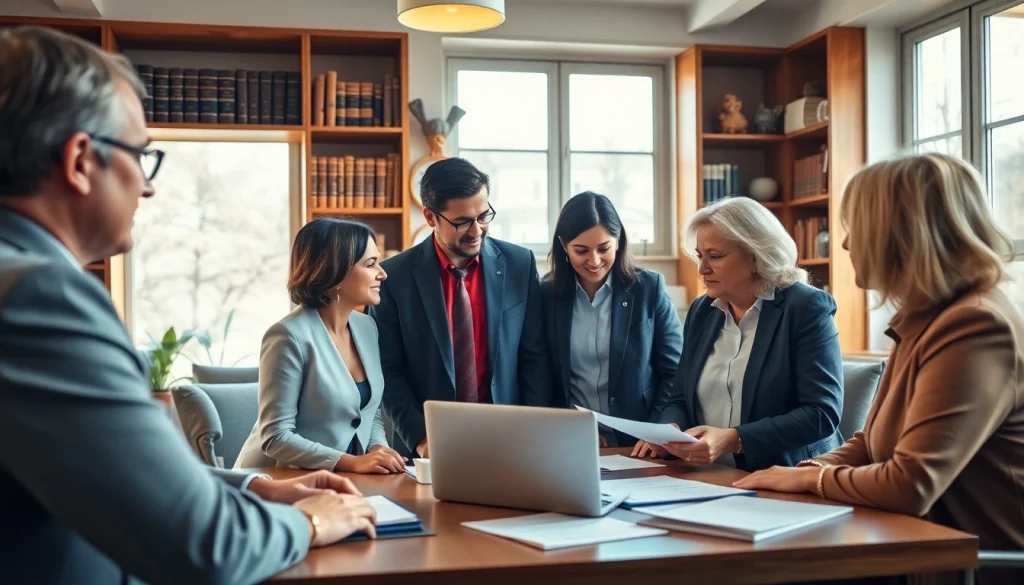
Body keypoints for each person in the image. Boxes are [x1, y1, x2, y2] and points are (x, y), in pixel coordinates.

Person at [0, 26, 377, 585]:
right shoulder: (40, 297)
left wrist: (256, 486)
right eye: (141, 156)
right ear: (81, 160)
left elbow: (113, 476)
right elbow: (208, 548)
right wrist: (309, 523)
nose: (147, 188)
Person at [734, 153, 1024, 585]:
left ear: (904, 234)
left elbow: (911, 484)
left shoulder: (974, 325)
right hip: (911, 547)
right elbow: (871, 444)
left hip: (967, 566)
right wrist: (799, 473)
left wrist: (808, 483)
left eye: (856, 227)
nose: (846, 244)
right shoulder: (925, 316)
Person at [633, 196, 843, 471]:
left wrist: (734, 439)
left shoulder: (806, 307)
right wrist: (670, 429)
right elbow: (680, 398)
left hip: (788, 476)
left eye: (715, 256)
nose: (701, 269)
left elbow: (820, 414)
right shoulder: (702, 310)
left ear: (757, 256)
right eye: (699, 256)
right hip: (712, 476)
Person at [368, 157, 552, 458]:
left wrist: (534, 429)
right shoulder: (394, 278)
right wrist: (420, 437)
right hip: (430, 447)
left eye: (484, 215)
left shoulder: (520, 264)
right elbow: (388, 370)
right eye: (463, 221)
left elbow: (534, 357)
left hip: (512, 439)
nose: (477, 230)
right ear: (430, 217)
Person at [235, 218, 405, 474]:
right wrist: (354, 463)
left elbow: (369, 411)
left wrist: (377, 449)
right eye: (370, 264)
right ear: (335, 272)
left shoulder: (367, 327)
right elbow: (275, 436)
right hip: (282, 480)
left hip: (345, 478)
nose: (383, 273)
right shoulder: (287, 336)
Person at [541, 191, 683, 448]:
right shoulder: (546, 294)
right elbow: (541, 374)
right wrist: (568, 427)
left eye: (603, 248)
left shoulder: (649, 288)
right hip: (574, 439)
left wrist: (657, 430)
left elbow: (675, 371)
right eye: (581, 250)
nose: (594, 261)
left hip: (642, 440)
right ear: (564, 247)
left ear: (618, 241)